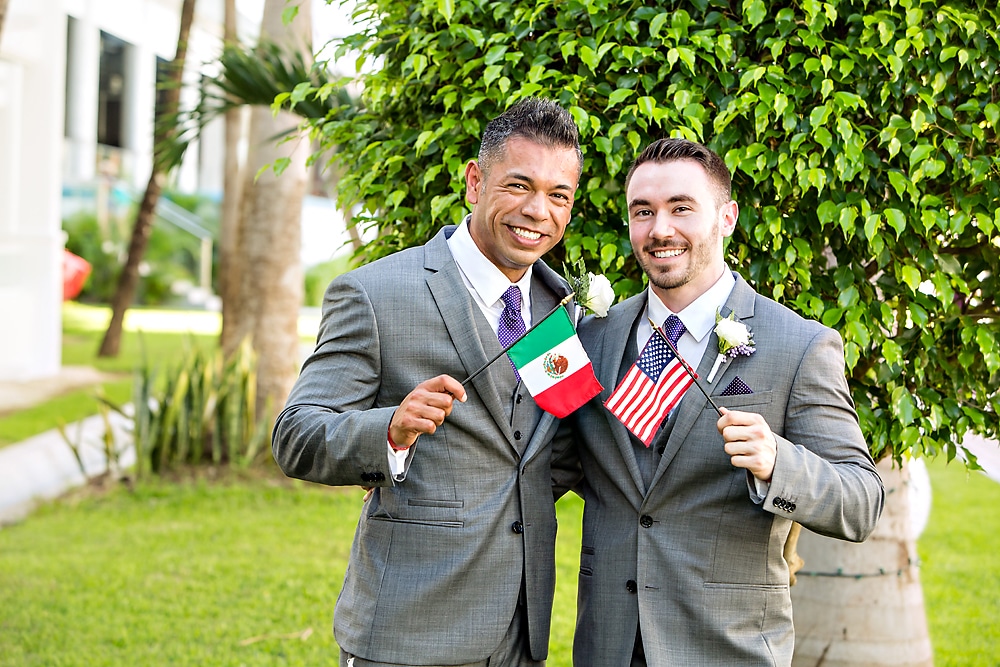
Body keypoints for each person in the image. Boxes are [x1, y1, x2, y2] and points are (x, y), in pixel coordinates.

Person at [272, 97, 583, 667]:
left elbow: (545, 453)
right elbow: (296, 435)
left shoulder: (558, 307)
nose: (539, 210)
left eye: (558, 195)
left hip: (520, 636)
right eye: (519, 186)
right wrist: (387, 432)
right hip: (407, 631)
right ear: (474, 182)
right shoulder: (375, 295)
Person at [563, 138, 885, 666]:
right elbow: (558, 464)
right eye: (643, 212)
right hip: (608, 647)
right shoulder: (595, 336)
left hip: (727, 650)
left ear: (727, 217)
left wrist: (778, 462)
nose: (660, 229)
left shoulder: (799, 345)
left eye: (681, 208)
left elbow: (861, 501)